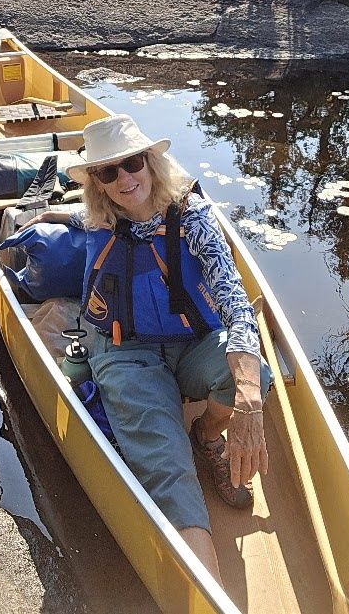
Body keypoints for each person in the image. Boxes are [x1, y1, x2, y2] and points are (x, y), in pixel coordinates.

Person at [26, 114, 272, 584]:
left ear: (151, 163)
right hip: (125, 350)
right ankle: (205, 590)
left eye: (133, 163)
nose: (124, 178)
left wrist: (248, 400)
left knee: (253, 375)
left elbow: (238, 308)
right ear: (96, 182)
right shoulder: (101, 214)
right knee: (166, 466)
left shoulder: (194, 219)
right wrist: (54, 215)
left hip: (191, 342)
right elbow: (87, 217)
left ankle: (206, 432)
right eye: (108, 172)